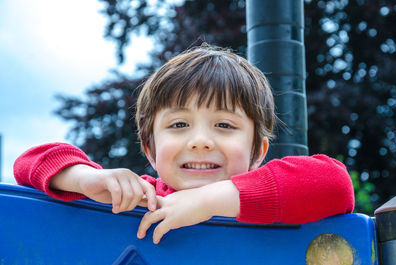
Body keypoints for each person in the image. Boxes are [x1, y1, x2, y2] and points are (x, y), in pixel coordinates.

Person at [14, 44, 354, 244]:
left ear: (257, 152)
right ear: (149, 150)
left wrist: (208, 201)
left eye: (224, 125)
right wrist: (87, 179)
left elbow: (335, 183)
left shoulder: (274, 201)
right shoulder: (144, 201)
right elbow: (29, 162)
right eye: (179, 125)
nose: (201, 141)